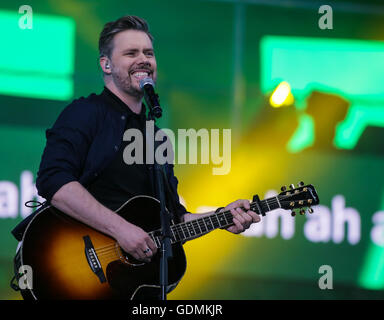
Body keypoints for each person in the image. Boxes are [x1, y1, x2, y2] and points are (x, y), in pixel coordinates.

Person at [35, 15, 260, 274]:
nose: (143, 59)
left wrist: (222, 217)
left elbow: (174, 221)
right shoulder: (85, 113)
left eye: (148, 53)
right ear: (106, 64)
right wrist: (121, 230)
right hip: (76, 267)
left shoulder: (157, 138)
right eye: (131, 53)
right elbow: (54, 180)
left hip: (126, 283)